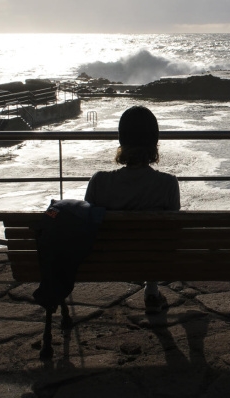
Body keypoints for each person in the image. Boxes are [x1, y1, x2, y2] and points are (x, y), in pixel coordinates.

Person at [85, 105, 179, 313]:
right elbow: (172, 235)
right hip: (155, 259)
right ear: (154, 141)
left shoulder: (99, 182)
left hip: (107, 262)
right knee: (154, 243)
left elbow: (88, 228)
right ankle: (152, 288)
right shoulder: (168, 184)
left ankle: (151, 288)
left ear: (122, 140)